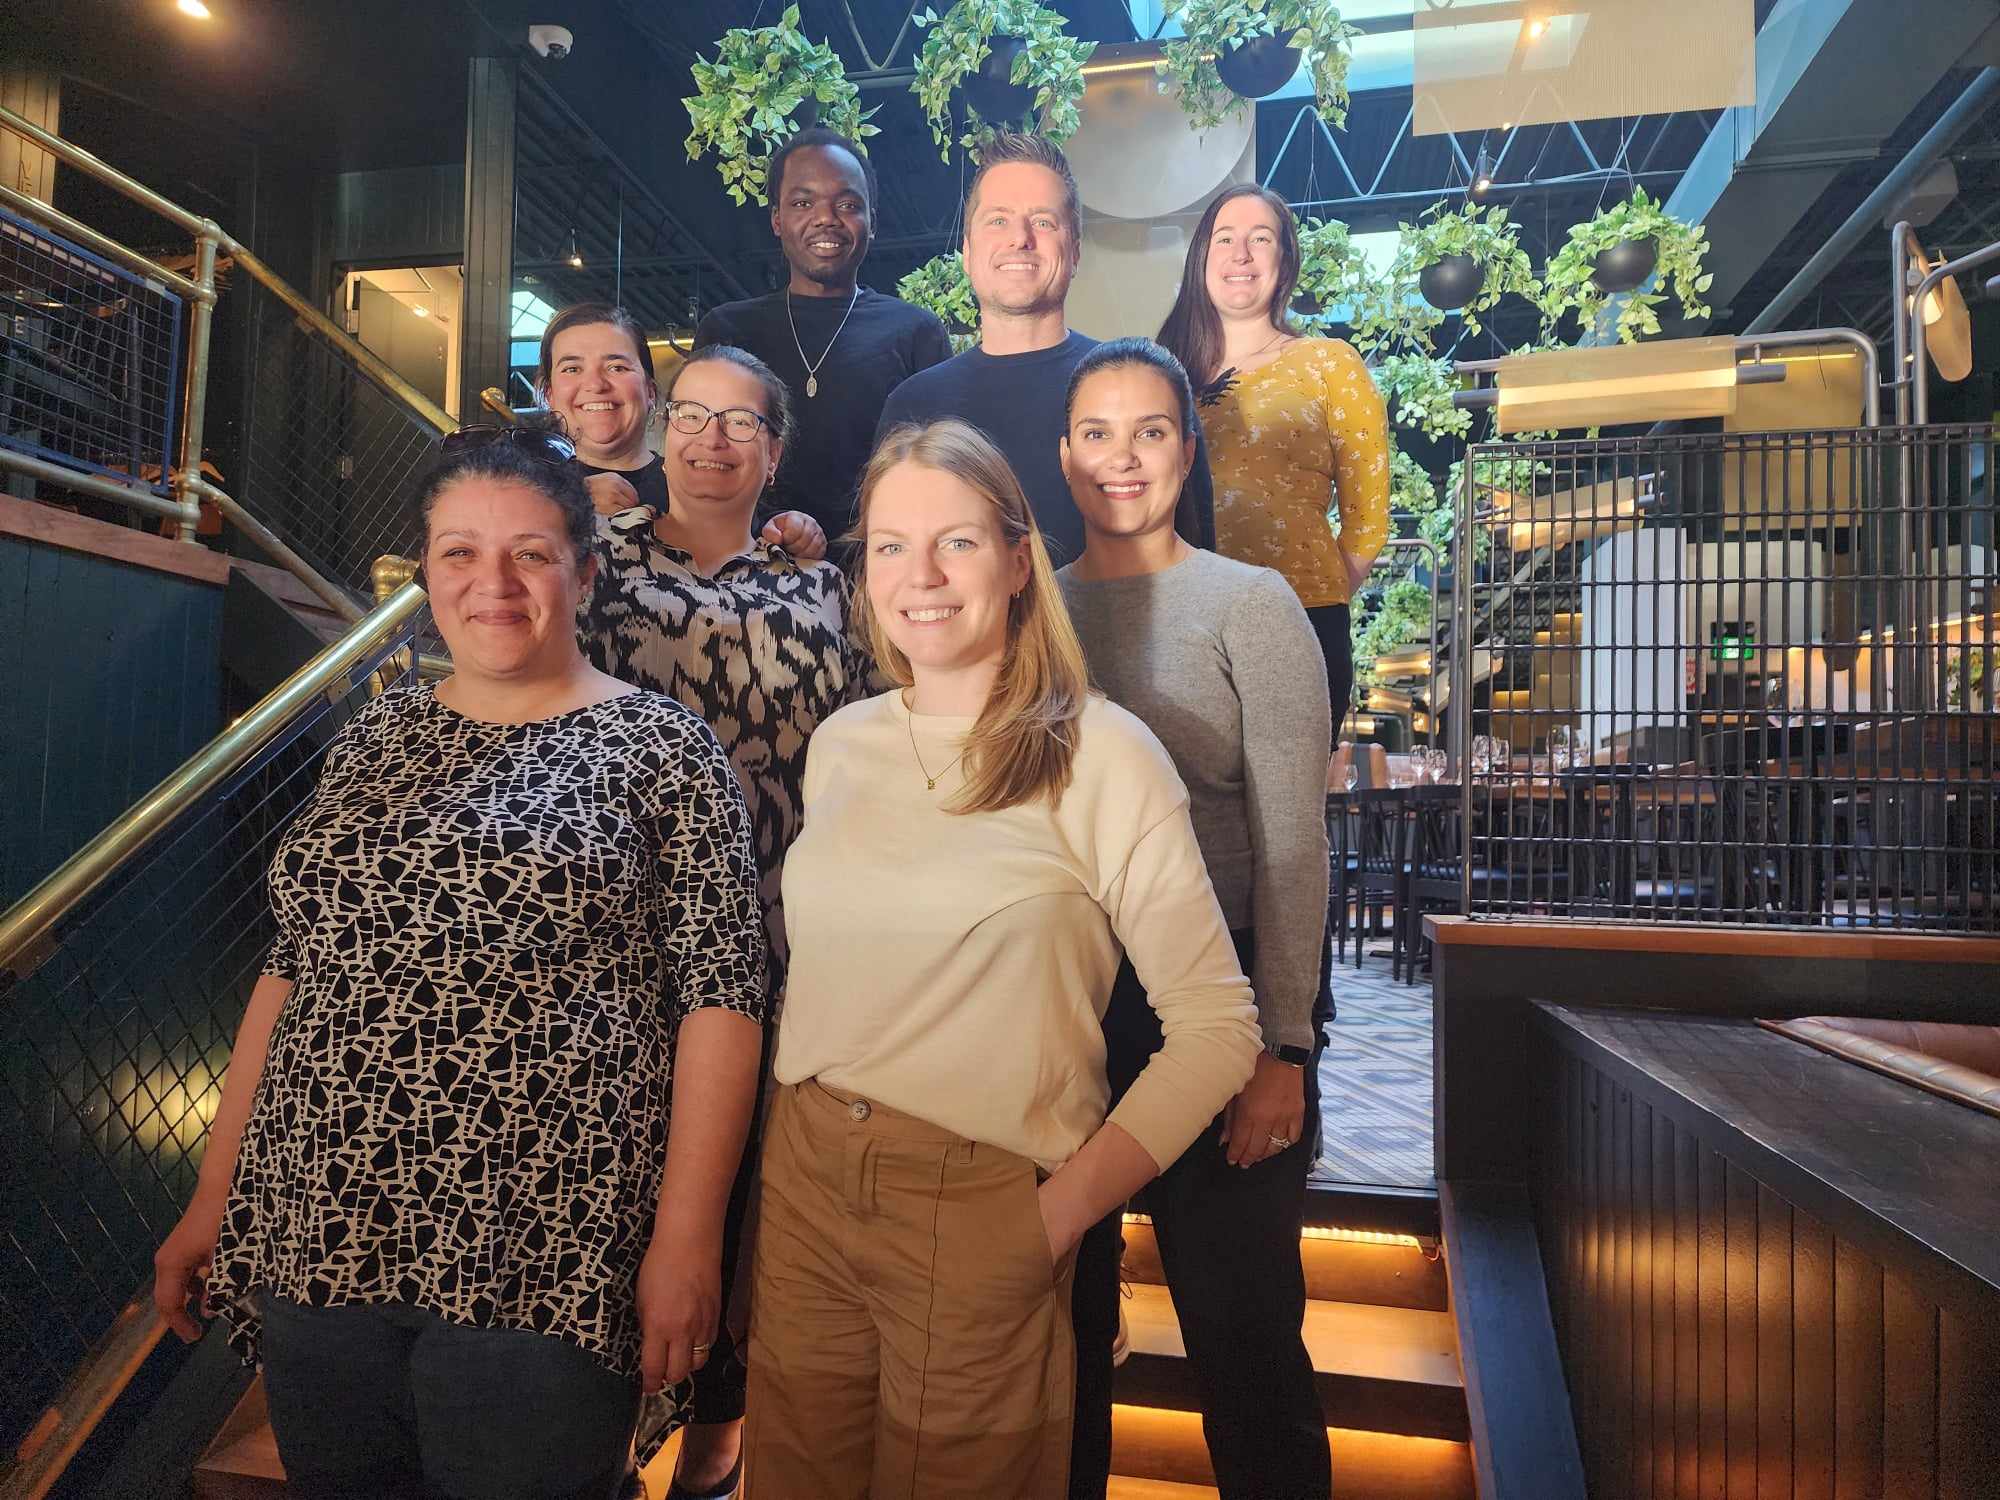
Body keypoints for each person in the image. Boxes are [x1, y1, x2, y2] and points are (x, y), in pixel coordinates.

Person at [151, 426, 768, 1500]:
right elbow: (293, 969)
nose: (494, 583)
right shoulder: (376, 735)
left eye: (530, 553)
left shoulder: (666, 748)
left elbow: (721, 997)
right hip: (321, 1217)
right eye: (459, 554)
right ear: (426, 574)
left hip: (547, 1240)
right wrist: (215, 1192)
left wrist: (686, 1237)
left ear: (583, 572)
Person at [741, 419, 1262, 1499]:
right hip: (805, 1181)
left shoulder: (1100, 752)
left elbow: (1218, 1030)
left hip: (979, 1194)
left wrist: (1053, 1221)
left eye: (958, 543)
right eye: (890, 545)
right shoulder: (842, 743)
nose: (920, 576)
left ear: (1019, 562)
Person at [576, 343, 867, 1500]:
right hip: (619, 945)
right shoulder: (594, 557)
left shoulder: (819, 586)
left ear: (774, 451)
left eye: (741, 423)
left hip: (781, 943)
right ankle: (593, 1441)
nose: (711, 440)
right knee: (616, 1186)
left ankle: (711, 1450)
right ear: (660, 429)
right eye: (691, 415)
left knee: (744, 1199)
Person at [1056, 339, 1334, 1500]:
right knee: (1058, 1342)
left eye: (1150, 431)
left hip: (1221, 1011)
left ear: (1186, 449)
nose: (1123, 457)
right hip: (1065, 1017)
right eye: (1097, 433)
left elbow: (1292, 838)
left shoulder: (1249, 605)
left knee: (1244, 1334)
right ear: (1064, 455)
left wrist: (1284, 1045)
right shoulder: (1031, 609)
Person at [875, 131, 1216, 567]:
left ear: (1074, 251)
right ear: (967, 252)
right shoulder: (913, 407)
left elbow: (1200, 567)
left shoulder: (1145, 388)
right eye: (998, 220)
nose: (1020, 238)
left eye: (1043, 222)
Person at [1156, 183, 1389, 726]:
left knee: (1287, 783)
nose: (1240, 254)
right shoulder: (1163, 372)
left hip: (1301, 618)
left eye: (1260, 239)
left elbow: (1368, 523)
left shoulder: (1329, 363)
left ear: (1284, 262)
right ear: (1201, 258)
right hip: (1183, 621)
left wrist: (1309, 597)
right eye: (1225, 238)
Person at [694, 128, 953, 556]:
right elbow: (702, 457)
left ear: (872, 222)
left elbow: (941, 468)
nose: (826, 218)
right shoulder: (728, 331)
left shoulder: (916, 333)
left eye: (847, 205)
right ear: (777, 219)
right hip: (751, 565)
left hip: (882, 567)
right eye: (803, 203)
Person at [536, 300, 827, 560]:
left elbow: (754, 530)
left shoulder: (697, 474)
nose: (596, 384)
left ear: (651, 391)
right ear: (549, 394)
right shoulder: (527, 483)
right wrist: (566, 504)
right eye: (572, 369)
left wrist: (792, 529)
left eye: (617, 368)